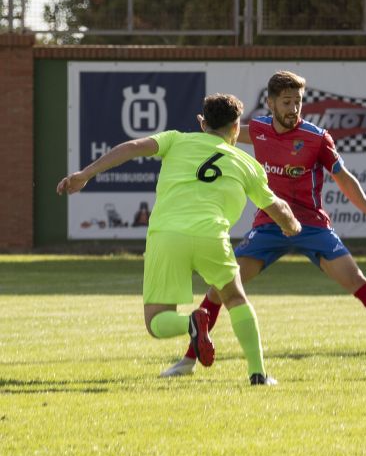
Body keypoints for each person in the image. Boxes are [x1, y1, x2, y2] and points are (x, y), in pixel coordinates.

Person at [160, 71, 366, 377]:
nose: (294, 108)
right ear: (271, 103)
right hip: (270, 224)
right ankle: (189, 360)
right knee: (220, 288)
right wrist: (207, 128)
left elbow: (345, 179)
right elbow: (226, 134)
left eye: (298, 101)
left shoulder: (317, 138)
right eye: (287, 102)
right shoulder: (259, 129)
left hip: (312, 225)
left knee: (356, 280)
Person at [57, 94, 301, 386]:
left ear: (202, 123)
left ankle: (190, 323)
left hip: (166, 236)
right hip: (212, 235)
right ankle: (258, 374)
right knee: (235, 298)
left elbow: (133, 147)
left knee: (156, 323)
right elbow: (279, 208)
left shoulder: (176, 140)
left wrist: (85, 174)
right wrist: (291, 226)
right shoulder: (247, 164)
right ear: (237, 128)